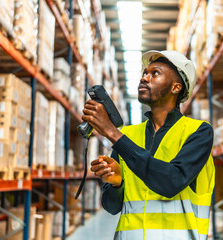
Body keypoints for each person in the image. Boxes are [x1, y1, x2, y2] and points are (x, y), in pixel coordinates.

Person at [82, 50, 215, 240]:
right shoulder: (129, 135)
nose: (145, 78)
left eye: (155, 73)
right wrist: (116, 184)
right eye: (145, 73)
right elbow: (111, 207)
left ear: (176, 87)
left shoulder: (198, 132)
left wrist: (111, 132)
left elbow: (171, 182)